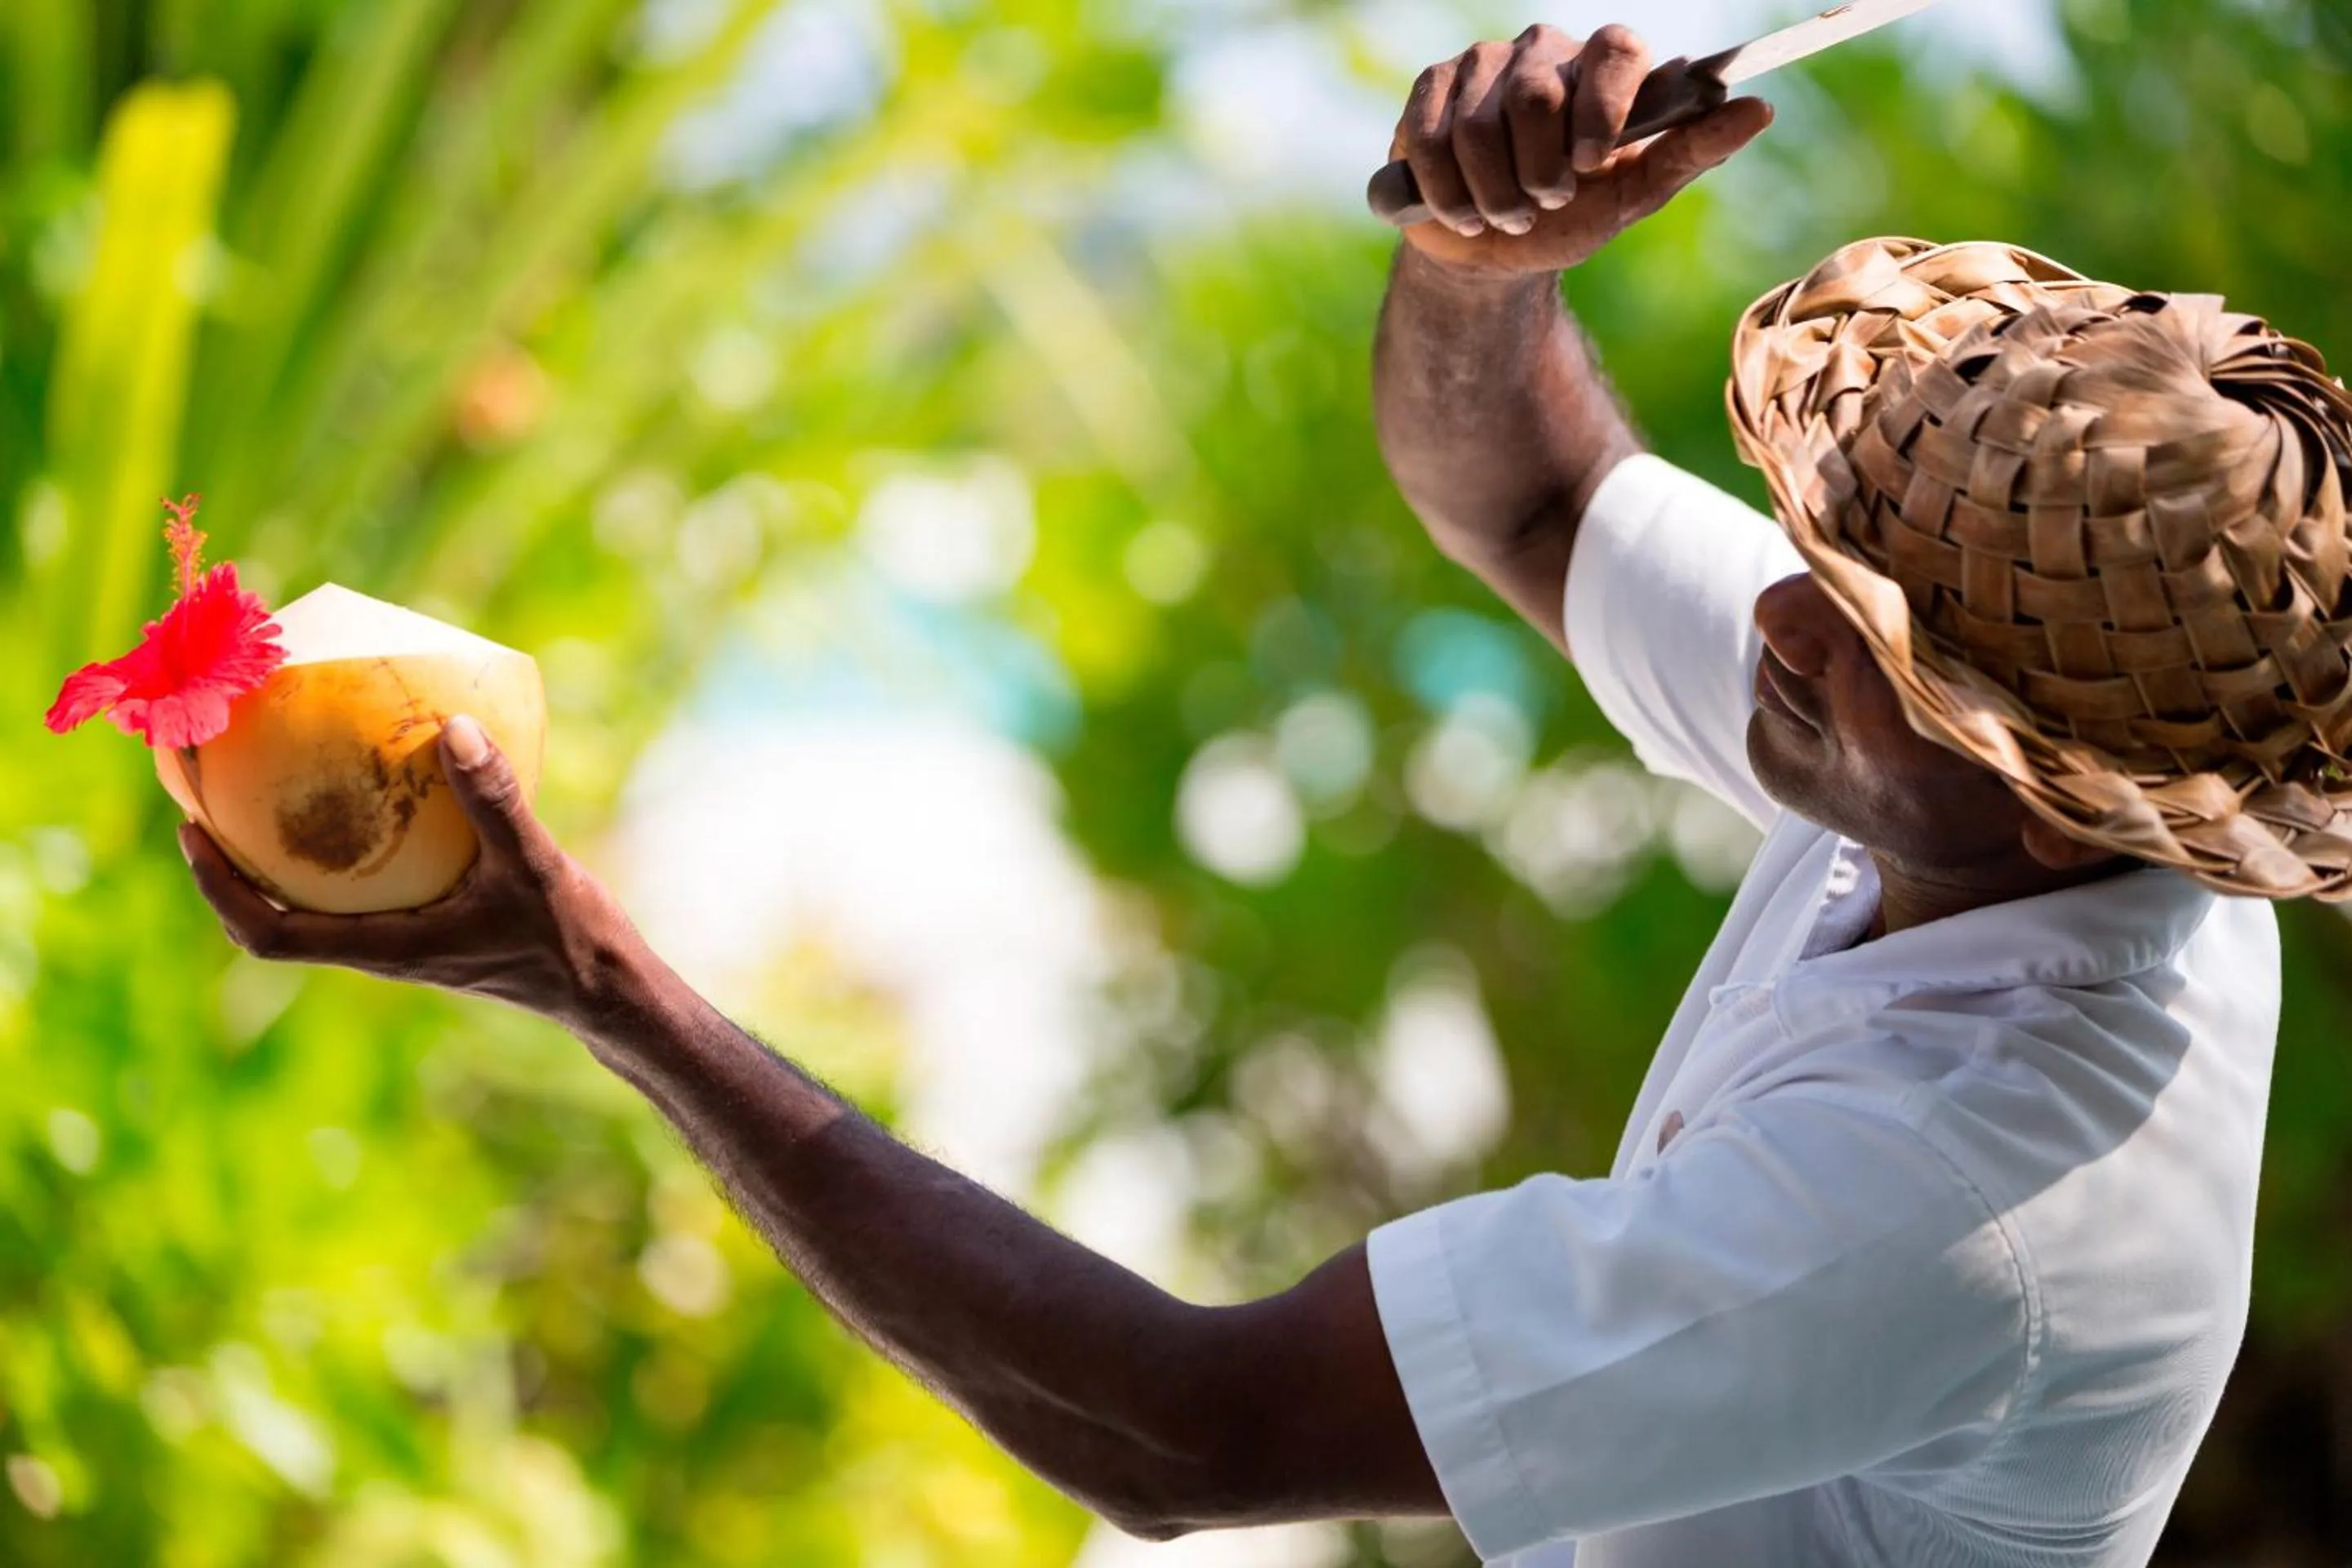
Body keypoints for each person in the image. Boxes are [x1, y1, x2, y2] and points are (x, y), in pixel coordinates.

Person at [178, 22, 2352, 1568]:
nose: (1788, 622)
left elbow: (1181, 1429)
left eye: (1885, 642)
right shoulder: (1956, 794)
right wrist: (1479, 272)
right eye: (1835, 554)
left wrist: (590, 975)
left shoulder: (1984, 1202)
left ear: (2087, 797)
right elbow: (1526, 490)